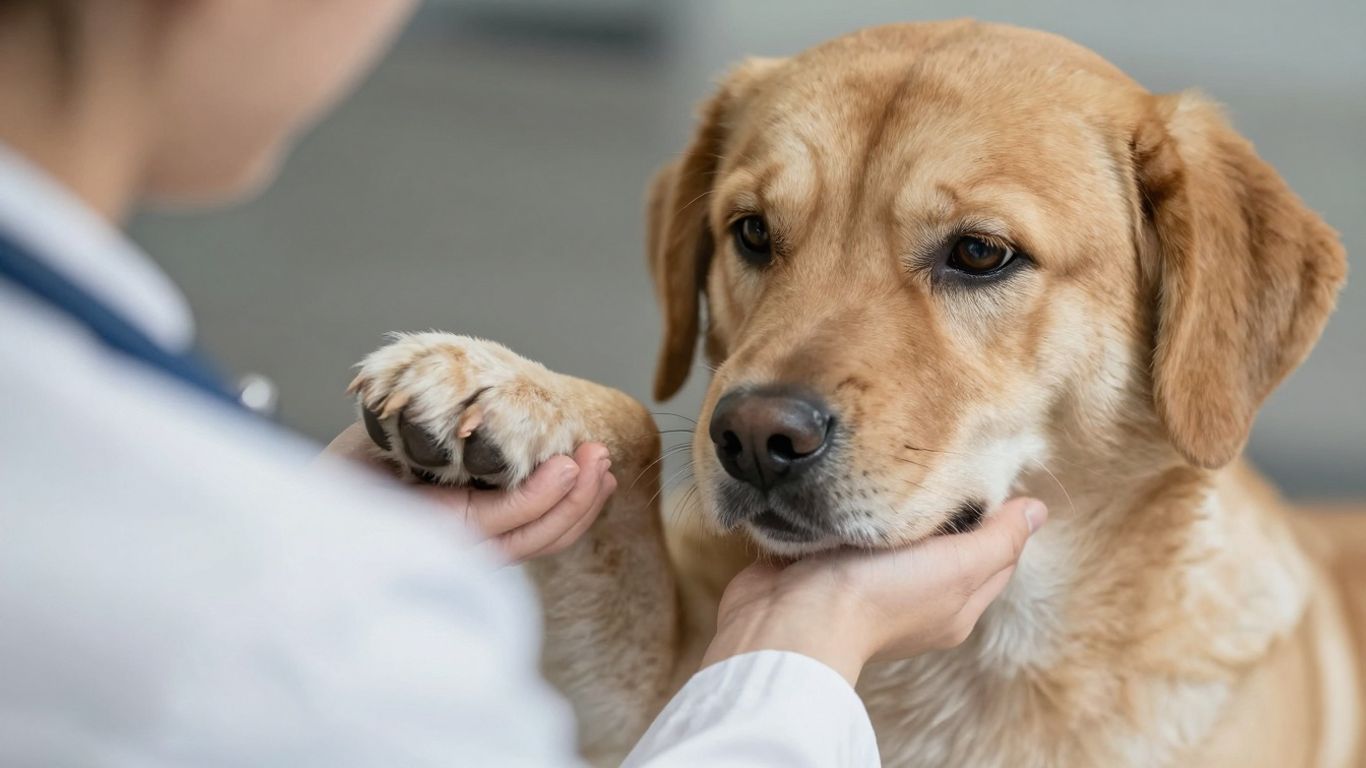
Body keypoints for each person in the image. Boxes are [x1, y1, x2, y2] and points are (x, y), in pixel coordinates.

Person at [0, 2, 1047, 765]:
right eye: (757, 236)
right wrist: (801, 649)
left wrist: (307, 526)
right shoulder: (297, 632)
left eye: (978, 254)